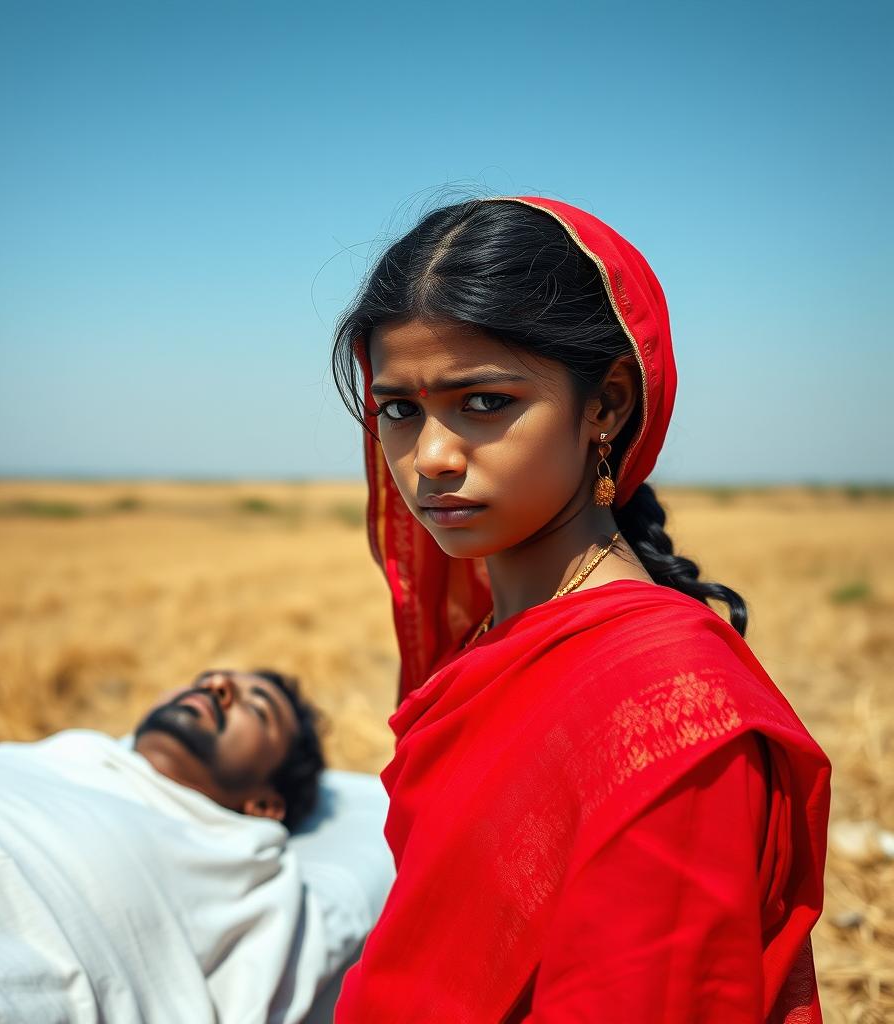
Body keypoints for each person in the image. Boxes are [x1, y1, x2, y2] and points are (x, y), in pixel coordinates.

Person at [329, 196, 832, 1022]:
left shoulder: (670, 713)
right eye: (399, 409)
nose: (430, 457)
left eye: (484, 402)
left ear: (606, 405)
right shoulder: (493, 649)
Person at [0, 668, 328, 1024]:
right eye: (205, 677)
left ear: (265, 805)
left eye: (258, 708)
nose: (218, 683)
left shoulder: (237, 861)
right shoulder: (66, 755)